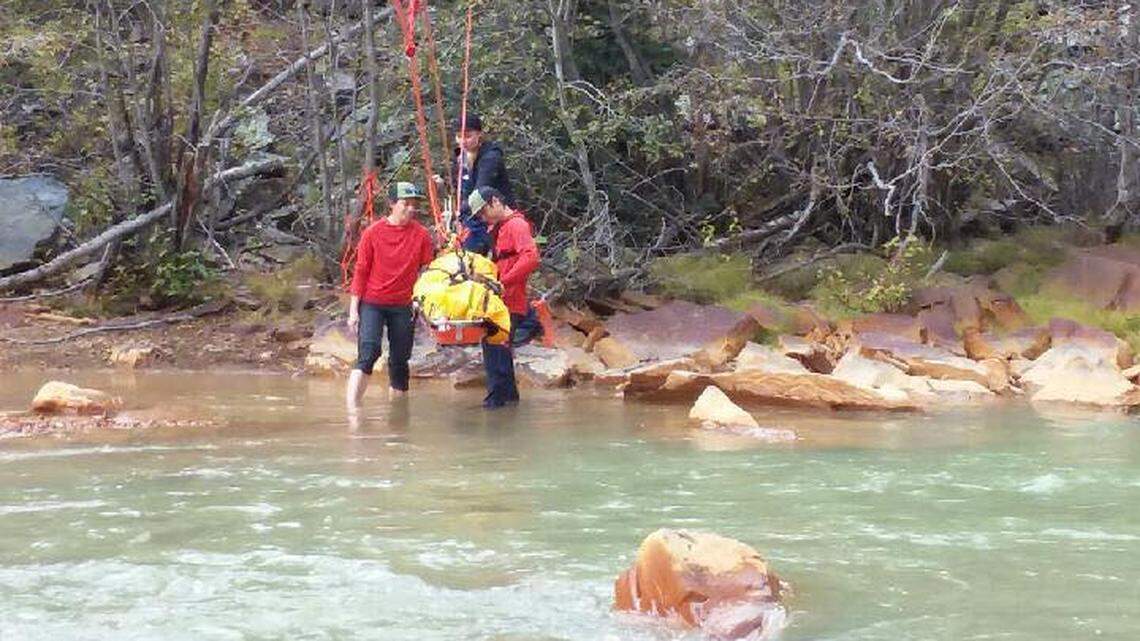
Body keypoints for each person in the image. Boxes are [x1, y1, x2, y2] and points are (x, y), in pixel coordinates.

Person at [346, 182, 435, 409]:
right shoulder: (372, 233)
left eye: (414, 205)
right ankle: (352, 411)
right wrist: (353, 311)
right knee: (369, 352)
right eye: (405, 204)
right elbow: (361, 271)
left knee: (399, 361)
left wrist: (422, 300)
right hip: (372, 302)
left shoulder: (421, 235)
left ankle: (398, 417)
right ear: (392, 205)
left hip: (403, 304)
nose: (410, 209)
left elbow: (427, 270)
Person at [468, 186, 540, 408]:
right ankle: (508, 406)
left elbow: (531, 258)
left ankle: (495, 409)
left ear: (495, 202)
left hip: (509, 302)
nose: (482, 218)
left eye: (483, 212)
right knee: (499, 355)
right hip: (501, 302)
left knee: (495, 355)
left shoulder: (516, 225)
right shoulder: (500, 228)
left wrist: (503, 282)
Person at [447, 113, 516, 256]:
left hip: (493, 214)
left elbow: (480, 194)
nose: (462, 141)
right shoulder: (461, 157)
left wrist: (458, 212)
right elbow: (459, 189)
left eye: (468, 136)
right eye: (459, 136)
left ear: (479, 135)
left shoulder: (491, 157)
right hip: (474, 216)